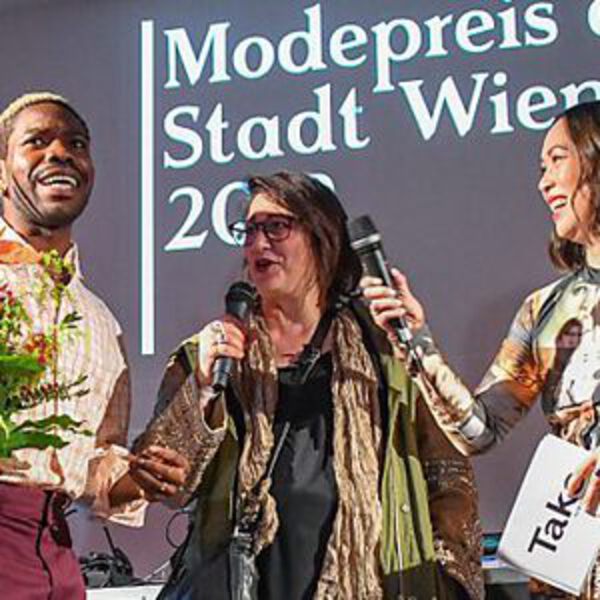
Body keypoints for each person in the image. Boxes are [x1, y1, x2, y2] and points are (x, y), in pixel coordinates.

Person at [135, 171, 483, 599]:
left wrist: (450, 580)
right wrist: (203, 388)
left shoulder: (384, 345)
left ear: (324, 237)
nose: (258, 244)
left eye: (276, 227)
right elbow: (161, 480)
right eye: (250, 230)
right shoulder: (211, 354)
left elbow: (449, 474)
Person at [362, 100, 600, 598]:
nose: (544, 182)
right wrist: (418, 342)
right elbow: (480, 429)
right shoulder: (545, 309)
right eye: (541, 168)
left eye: (557, 160)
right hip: (576, 563)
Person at [0, 92, 187, 599]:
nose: (60, 153)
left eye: (76, 144)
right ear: (2, 173)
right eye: (37, 141)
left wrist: (146, 478)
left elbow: (97, 475)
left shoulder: (101, 323)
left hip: (56, 561)